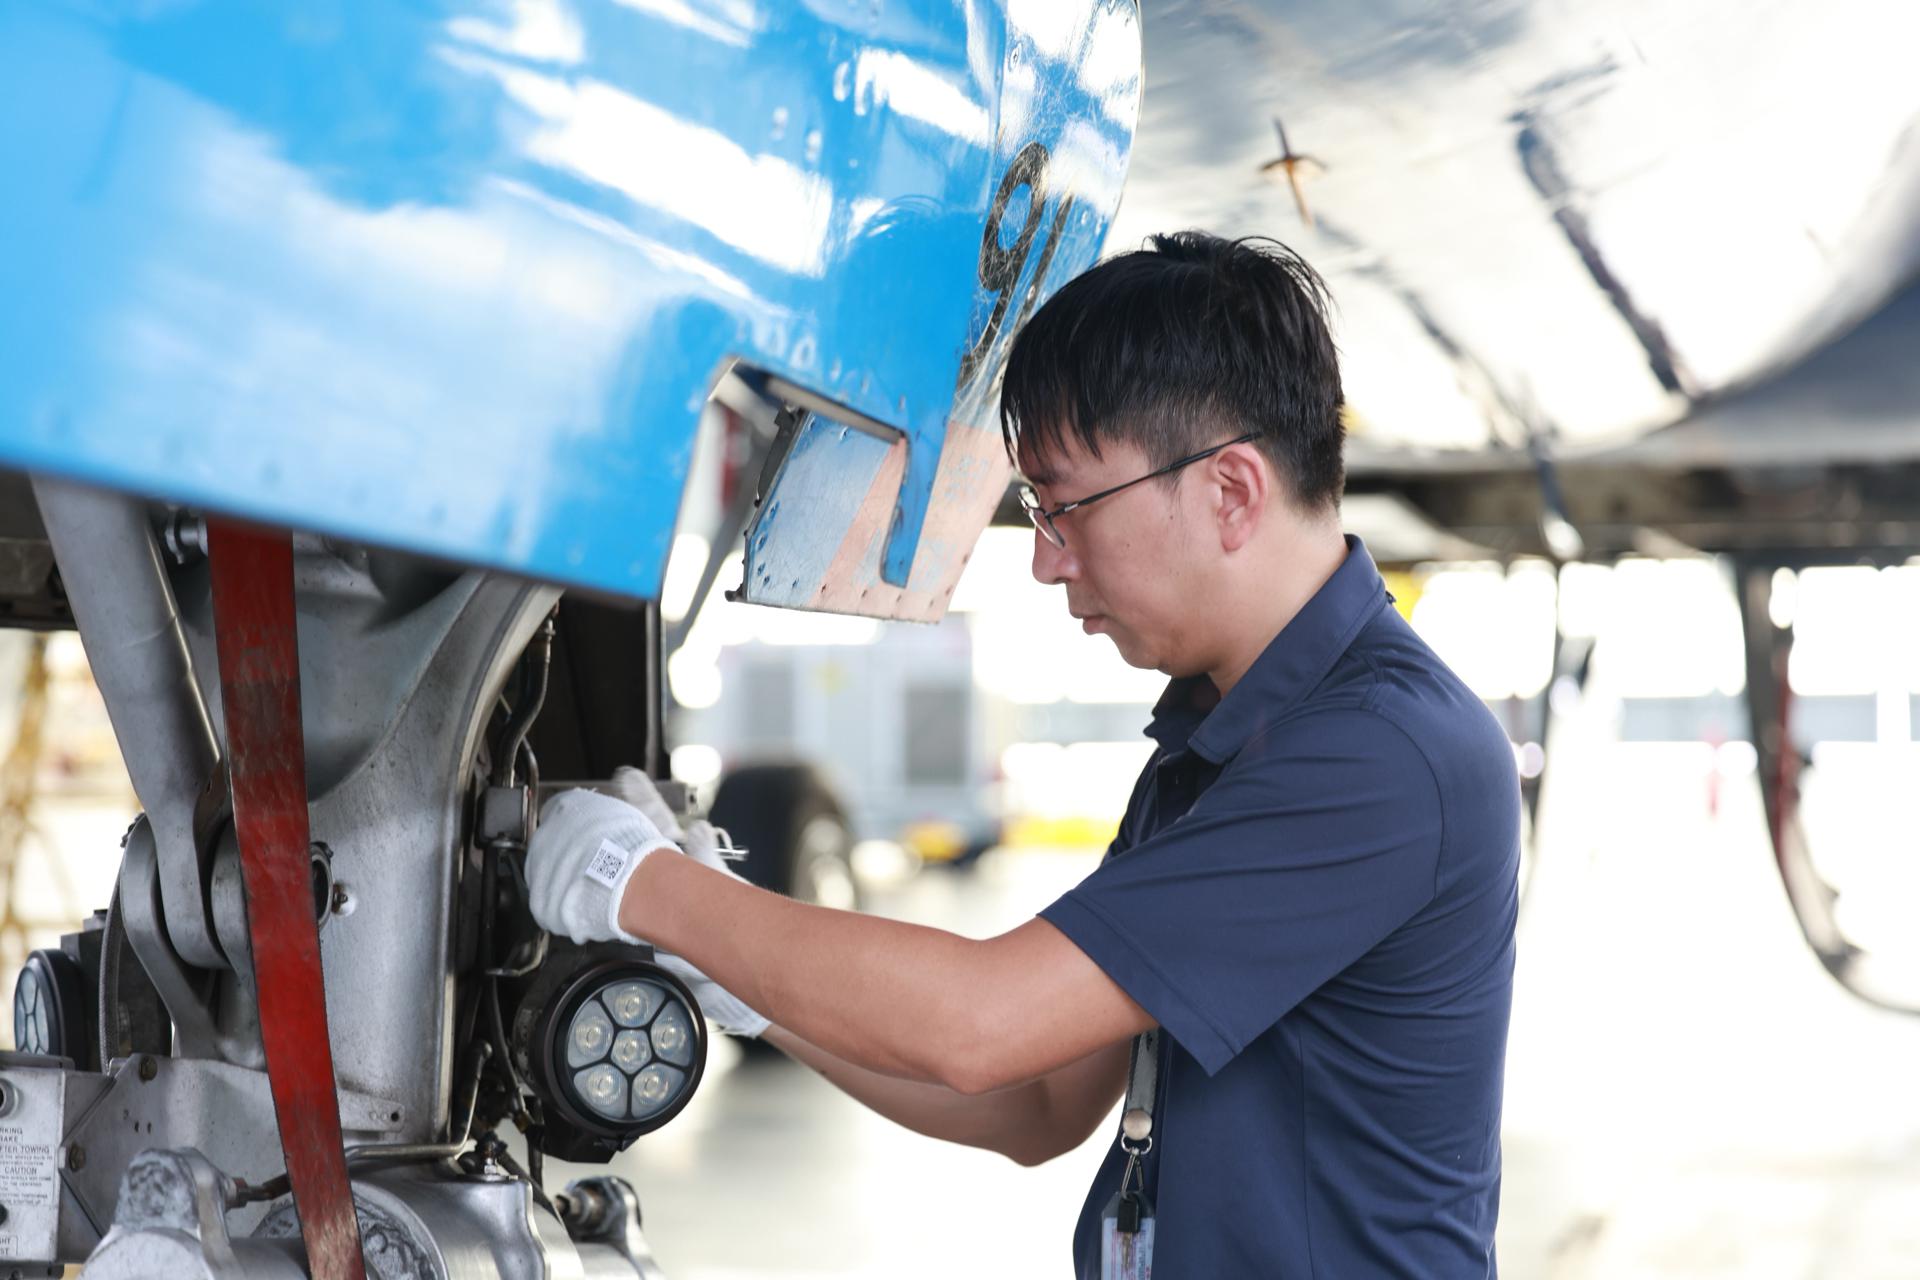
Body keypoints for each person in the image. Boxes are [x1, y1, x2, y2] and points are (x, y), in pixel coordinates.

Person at [525, 231, 1520, 1277]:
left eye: (1066, 505)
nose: (1046, 559)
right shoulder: (1218, 741)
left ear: (1230, 491)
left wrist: (643, 885)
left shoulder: (1381, 755)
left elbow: (981, 1021)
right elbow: (1032, 1099)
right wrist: (737, 976)